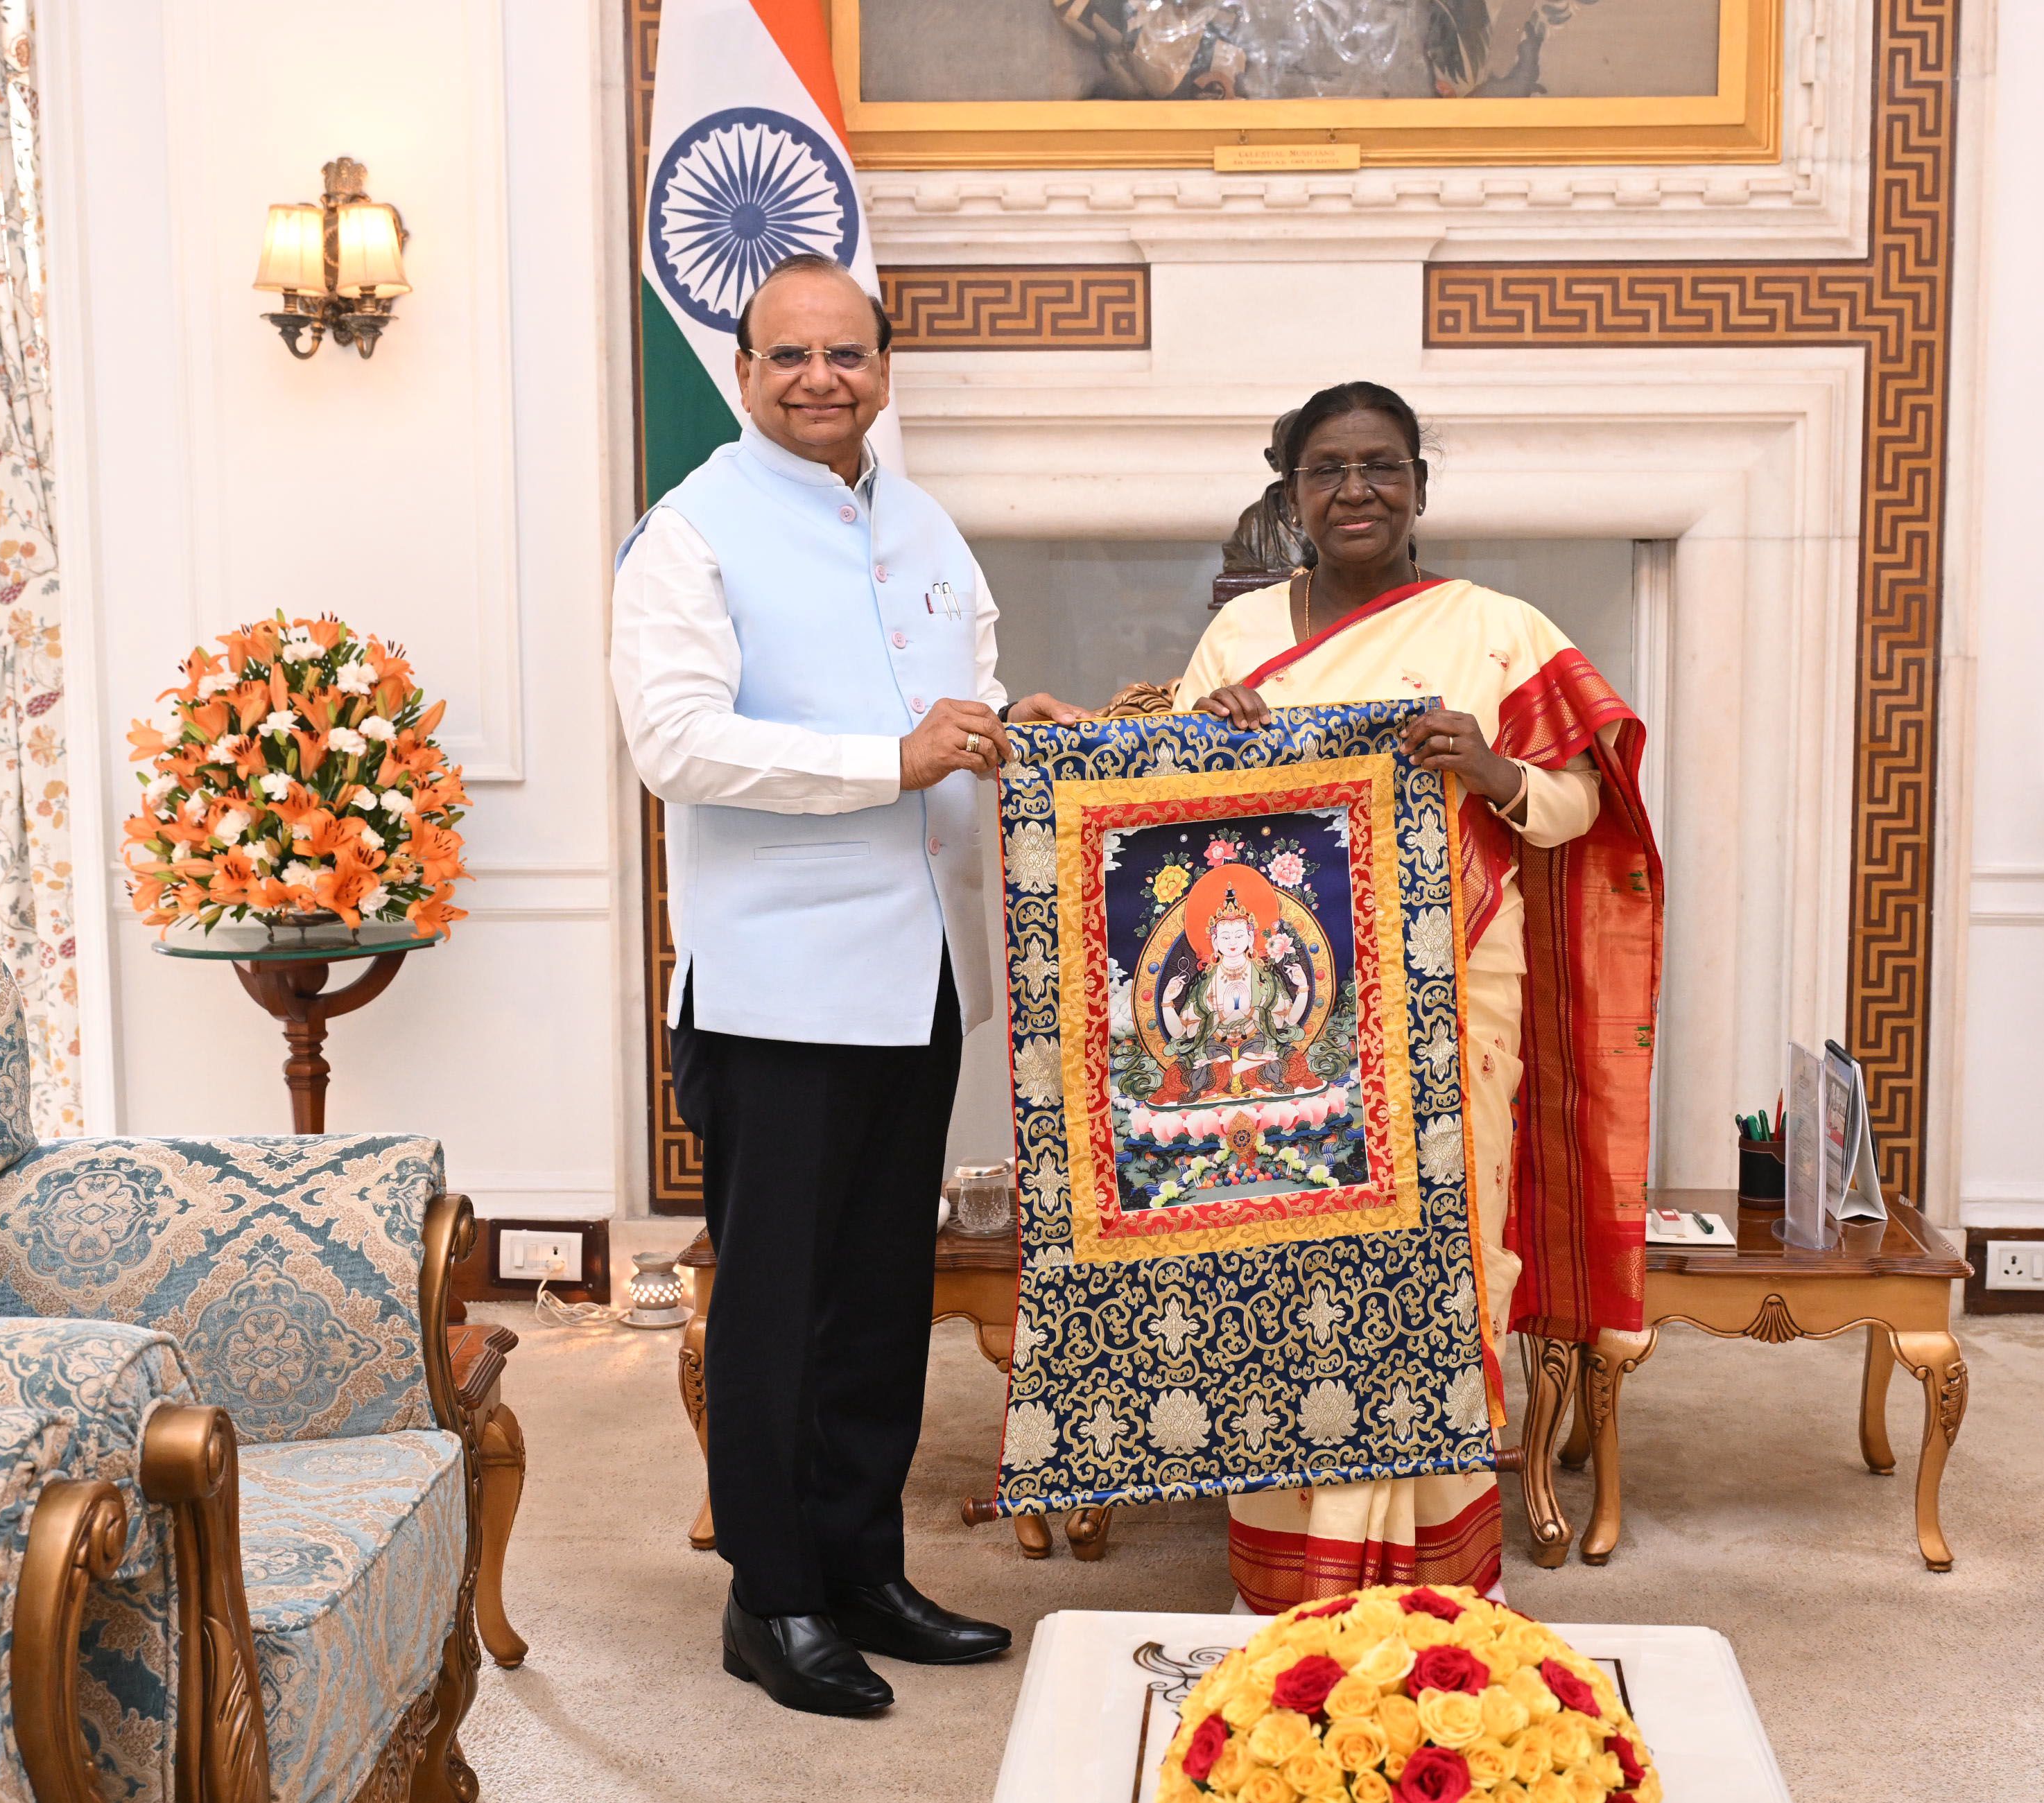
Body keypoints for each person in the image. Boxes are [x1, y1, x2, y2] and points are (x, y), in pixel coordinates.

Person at [610, 252, 1088, 1715]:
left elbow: (954, 701)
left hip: (922, 966)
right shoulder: (688, 534)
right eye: (790, 356)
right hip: (780, 986)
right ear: (744, 371)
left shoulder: (923, 521)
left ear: (884, 367)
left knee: (883, 1295)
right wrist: (891, 760)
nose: (821, 377)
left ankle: (864, 1565)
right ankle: (774, 1598)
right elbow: (674, 742)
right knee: (779, 1307)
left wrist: (1012, 725)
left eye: (848, 354)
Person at [1174, 381, 1664, 1612]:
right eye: (1328, 470)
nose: (1357, 491)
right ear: (1292, 494)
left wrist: (1494, 770)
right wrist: (1212, 735)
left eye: (1382, 466)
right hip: (1289, 1023)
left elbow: (1582, 806)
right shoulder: (1240, 636)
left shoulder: (1496, 632)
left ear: (1419, 487)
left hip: (1455, 1005)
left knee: (1448, 1265)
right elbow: (1169, 830)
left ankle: (1438, 1571)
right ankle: (1289, 1574)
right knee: (1284, 1269)